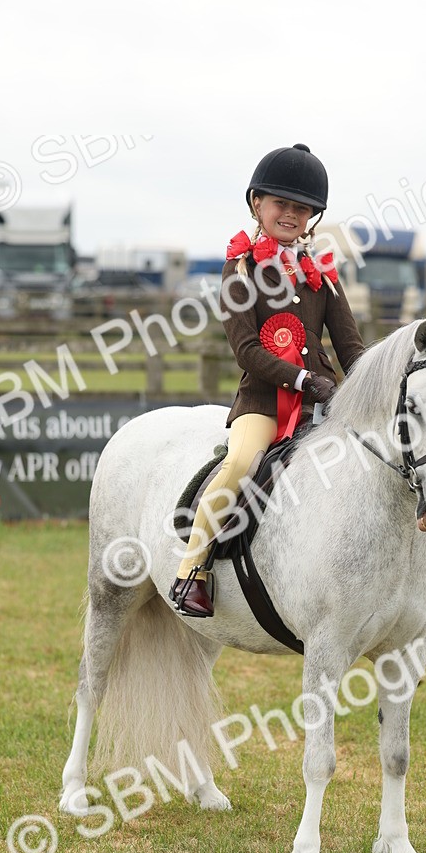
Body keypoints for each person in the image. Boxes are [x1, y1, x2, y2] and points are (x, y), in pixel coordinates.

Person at [170, 142, 365, 617]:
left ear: (311, 218)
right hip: (262, 402)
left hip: (326, 401)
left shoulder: (323, 272)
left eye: (301, 209)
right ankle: (192, 572)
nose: (290, 215)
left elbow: (349, 345)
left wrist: (365, 382)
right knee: (239, 464)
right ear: (257, 203)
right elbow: (247, 351)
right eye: (282, 204)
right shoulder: (239, 270)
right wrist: (302, 380)